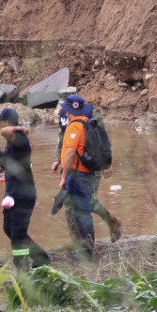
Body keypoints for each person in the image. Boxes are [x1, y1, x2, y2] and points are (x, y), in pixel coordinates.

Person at [52, 91, 123, 244]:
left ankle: (111, 221)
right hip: (70, 165)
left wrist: (107, 163)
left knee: (88, 202)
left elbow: (103, 137)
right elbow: (62, 138)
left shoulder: (91, 112)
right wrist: (57, 159)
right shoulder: (64, 115)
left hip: (88, 164)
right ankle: (76, 243)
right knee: (69, 204)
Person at [0, 107, 51, 269]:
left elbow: (5, 131)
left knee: (18, 234)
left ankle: (21, 266)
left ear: (5, 122)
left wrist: (19, 127)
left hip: (23, 195)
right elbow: (6, 163)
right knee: (9, 229)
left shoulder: (20, 138)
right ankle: (40, 256)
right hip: (12, 194)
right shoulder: (11, 144)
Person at [57, 94, 100, 258]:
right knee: (82, 210)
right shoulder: (86, 122)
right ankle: (85, 248)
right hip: (86, 173)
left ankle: (86, 251)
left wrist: (64, 176)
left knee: (81, 212)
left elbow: (70, 153)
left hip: (77, 174)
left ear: (68, 109)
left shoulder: (74, 126)